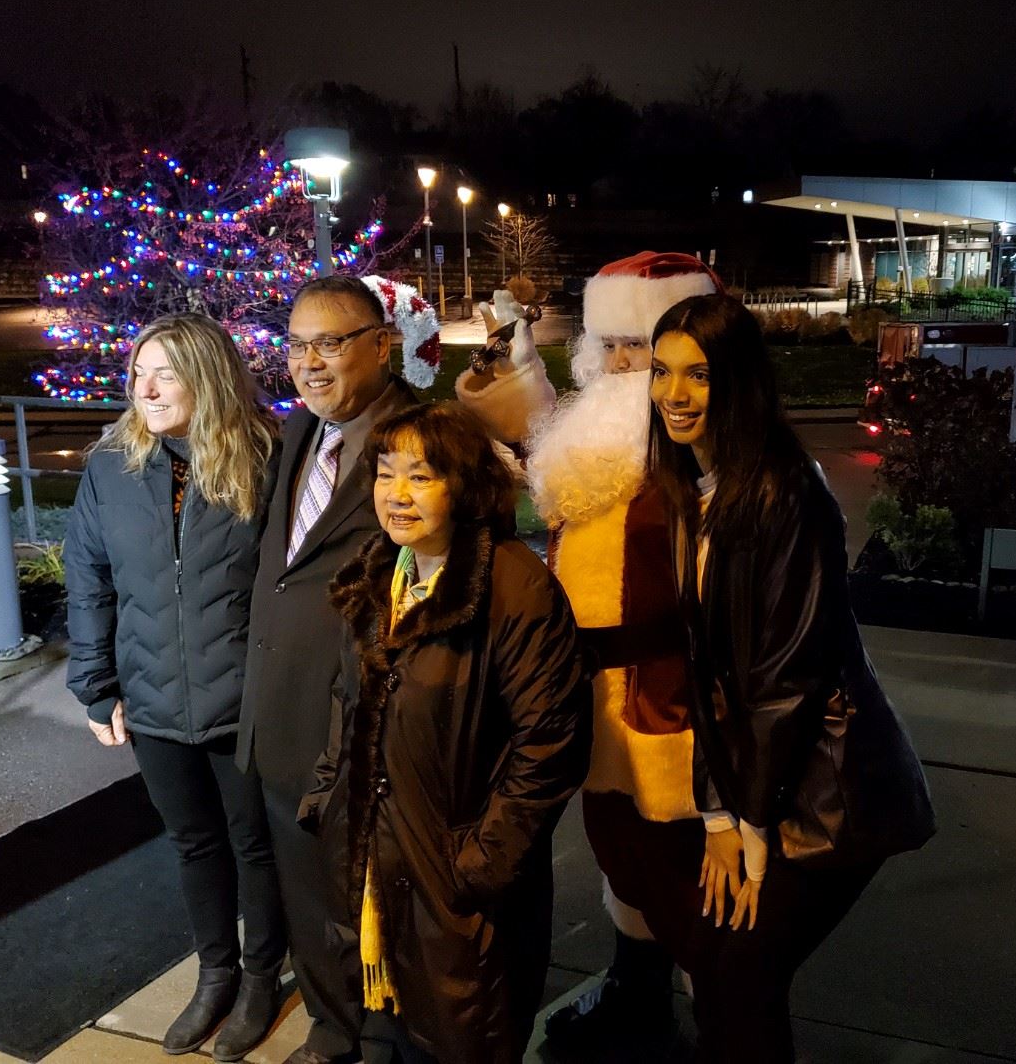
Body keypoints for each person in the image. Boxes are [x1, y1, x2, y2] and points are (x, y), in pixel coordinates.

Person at [644, 294, 936, 1063]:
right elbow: (710, 672)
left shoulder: (781, 489)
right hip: (761, 780)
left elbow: (787, 678)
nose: (674, 394)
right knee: (724, 972)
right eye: (661, 371)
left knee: (737, 974)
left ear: (738, 381)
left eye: (698, 376)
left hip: (827, 788)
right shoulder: (690, 488)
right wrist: (714, 814)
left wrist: (748, 823)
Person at [456, 252, 722, 1047]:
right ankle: (636, 996)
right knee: (621, 857)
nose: (618, 365)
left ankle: (714, 1017)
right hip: (593, 698)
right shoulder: (608, 434)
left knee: (680, 872)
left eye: (637, 348)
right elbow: (565, 452)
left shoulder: (706, 458)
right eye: (608, 345)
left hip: (669, 704)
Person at [301, 402, 591, 1063]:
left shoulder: (514, 589)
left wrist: (480, 864)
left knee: (466, 1037)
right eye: (385, 472)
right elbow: (349, 700)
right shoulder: (383, 571)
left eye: (421, 476)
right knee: (405, 1023)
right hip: (381, 859)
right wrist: (327, 796)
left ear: (463, 484)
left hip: (457, 881)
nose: (396, 495)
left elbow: (549, 745)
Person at [65, 313, 286, 1060]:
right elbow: (89, 580)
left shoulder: (267, 457)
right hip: (153, 700)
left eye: (166, 372)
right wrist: (96, 685)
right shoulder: (112, 466)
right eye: (138, 372)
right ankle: (215, 974)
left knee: (254, 845)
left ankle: (261, 979)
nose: (147, 388)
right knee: (194, 844)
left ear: (210, 376)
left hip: (247, 702)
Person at [236, 276, 427, 1064]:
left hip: (363, 714)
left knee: (374, 884)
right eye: (296, 345)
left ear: (381, 345)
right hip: (279, 707)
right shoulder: (295, 433)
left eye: (330, 343)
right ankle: (330, 1022)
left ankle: (386, 1029)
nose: (309, 363)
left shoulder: (420, 438)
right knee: (304, 882)